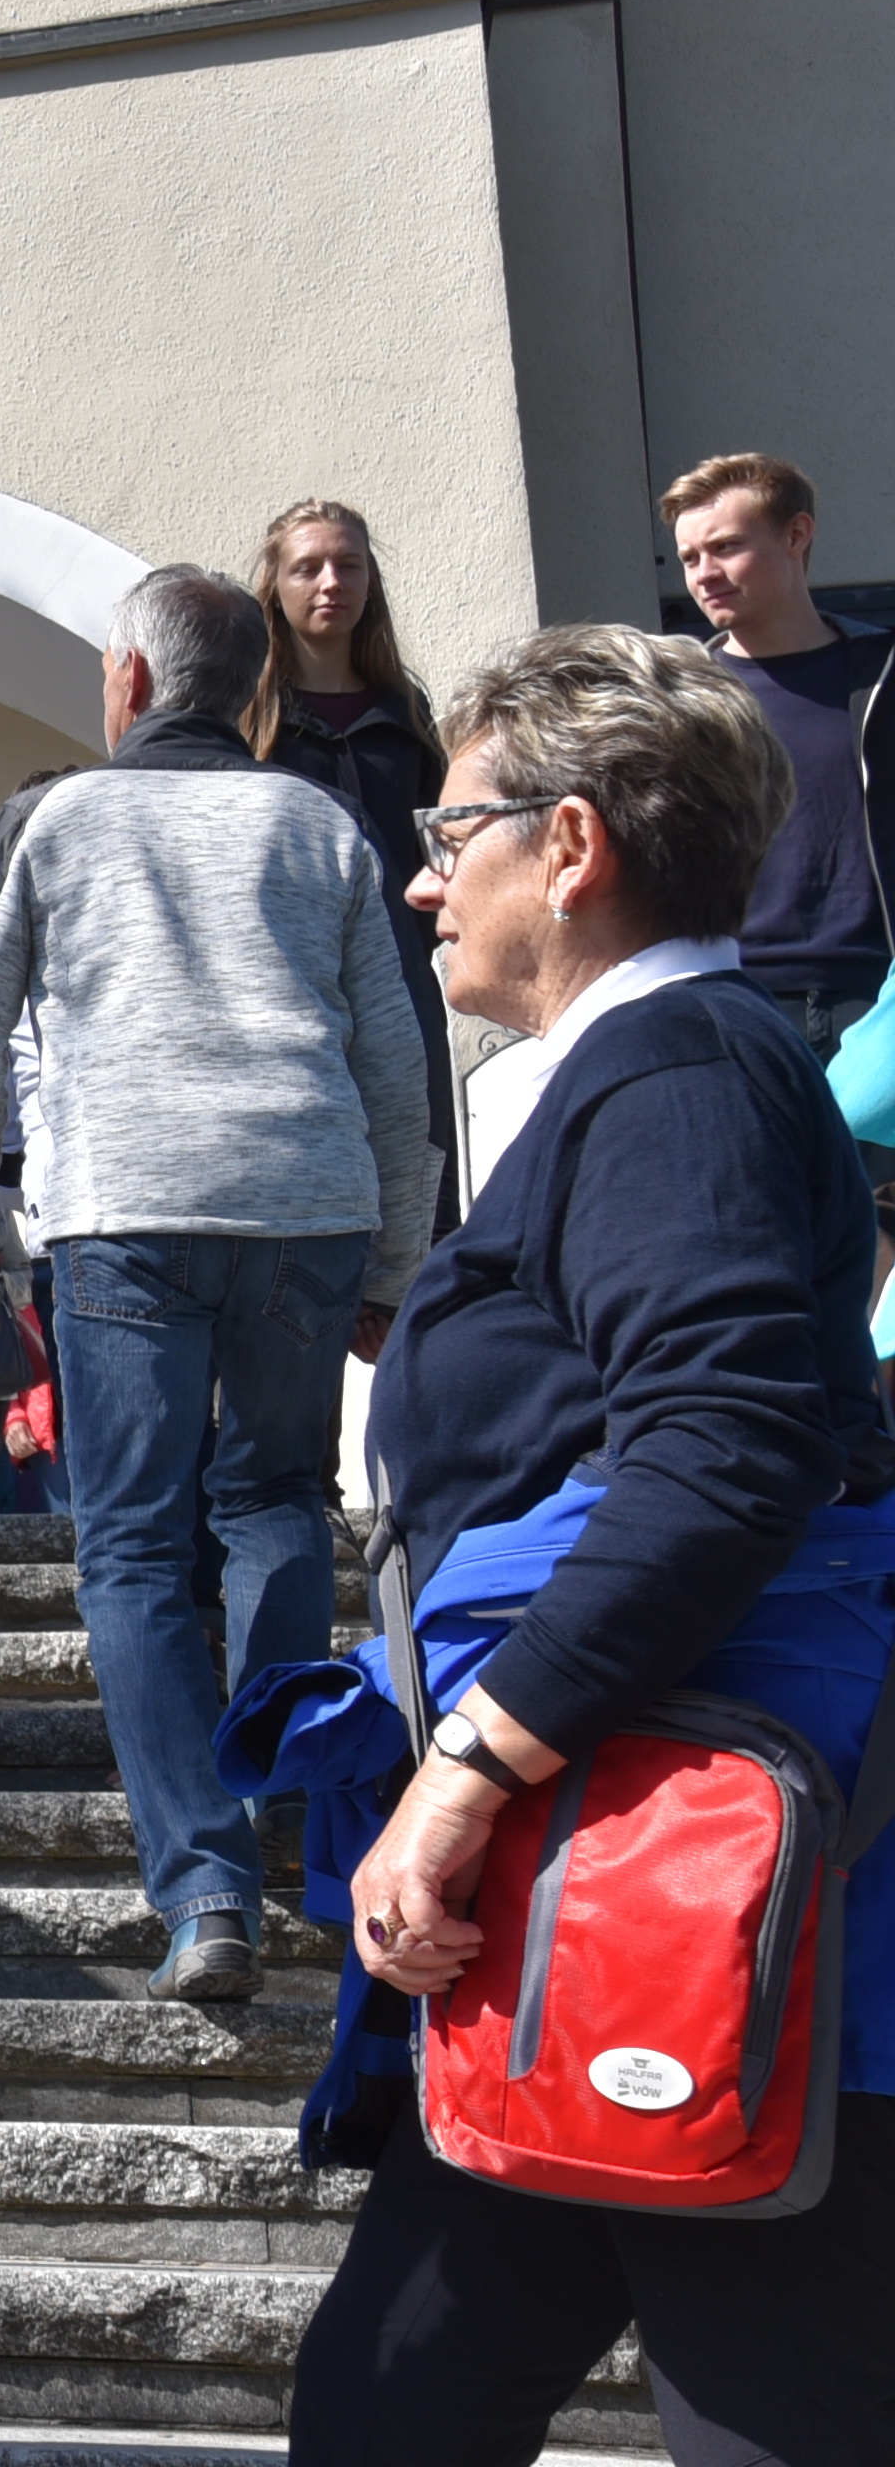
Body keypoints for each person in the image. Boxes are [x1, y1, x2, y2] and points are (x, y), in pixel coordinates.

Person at [283, 622, 895, 2463]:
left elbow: (724, 1451)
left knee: (764, 2417)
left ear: (569, 846)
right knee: (388, 2402)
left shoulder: (674, 1068)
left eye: (446, 828)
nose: (420, 877)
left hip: (684, 1884)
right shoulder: (663, 1068)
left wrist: (463, 1773)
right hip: (616, 1878)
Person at [0, 566, 435, 2003]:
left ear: (132, 680)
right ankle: (275, 1803)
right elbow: (396, 1058)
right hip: (305, 1204)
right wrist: (395, 1260)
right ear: (255, 685)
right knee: (274, 1501)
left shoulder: (55, 817)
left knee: (135, 1545)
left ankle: (206, 1890)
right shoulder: (320, 821)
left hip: (127, 1207)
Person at [244, 500, 457, 1229]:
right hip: (292, 986)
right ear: (276, 587)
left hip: (401, 984)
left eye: (349, 565)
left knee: (421, 1189)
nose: (331, 582)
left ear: (370, 583)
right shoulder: (252, 721)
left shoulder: (407, 713)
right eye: (308, 568)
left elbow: (440, 848)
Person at [663, 452, 895, 1060]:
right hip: (733, 999)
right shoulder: (679, 700)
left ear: (797, 535)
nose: (704, 574)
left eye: (725, 547)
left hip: (879, 998)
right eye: (689, 558)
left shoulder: (883, 677)